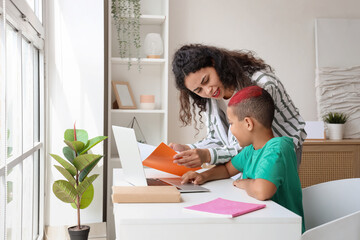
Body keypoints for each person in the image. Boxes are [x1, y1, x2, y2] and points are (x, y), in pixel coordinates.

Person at [181, 85, 305, 233]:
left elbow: (262, 191)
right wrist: (202, 176)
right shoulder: (251, 150)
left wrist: (245, 183)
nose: (230, 130)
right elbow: (227, 169)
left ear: (248, 123)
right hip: (261, 226)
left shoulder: (277, 147)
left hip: (284, 231)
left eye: (231, 123)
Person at [170, 44, 306, 169]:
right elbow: (217, 138)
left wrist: (207, 155)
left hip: (280, 153)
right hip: (248, 157)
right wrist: (188, 149)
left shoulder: (261, 86)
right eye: (198, 90)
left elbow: (250, 143)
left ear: (214, 63)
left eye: (206, 80)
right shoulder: (211, 98)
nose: (207, 91)